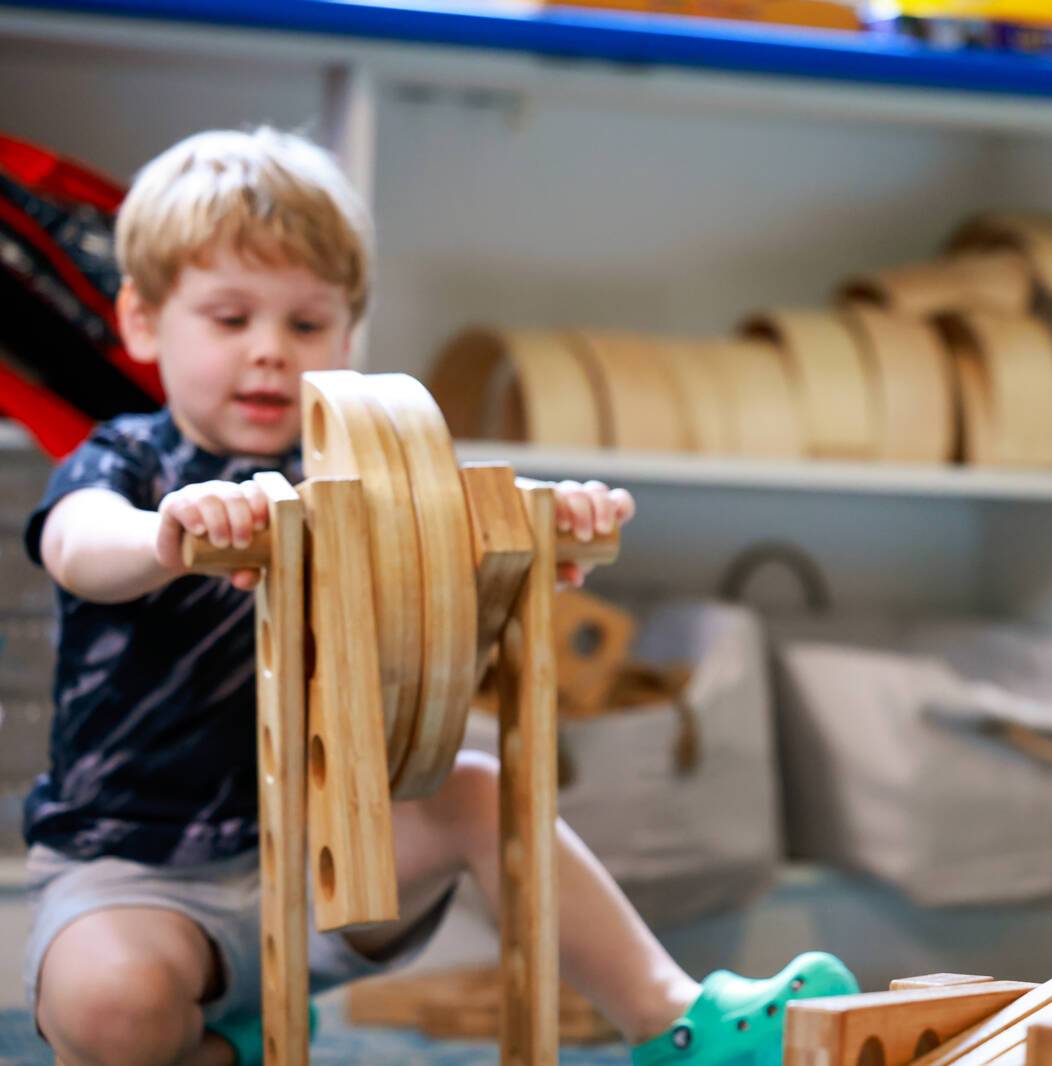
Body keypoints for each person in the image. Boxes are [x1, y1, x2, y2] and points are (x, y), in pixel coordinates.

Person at [22, 126, 854, 1066]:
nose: (270, 354)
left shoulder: (353, 466)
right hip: (139, 878)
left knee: (477, 785)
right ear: (140, 321)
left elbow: (453, 536)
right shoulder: (126, 459)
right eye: (229, 318)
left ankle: (672, 1019)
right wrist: (165, 533)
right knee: (110, 1008)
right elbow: (76, 545)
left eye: (306, 324)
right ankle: (212, 1045)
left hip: (328, 860)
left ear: (347, 335)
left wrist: (539, 530)